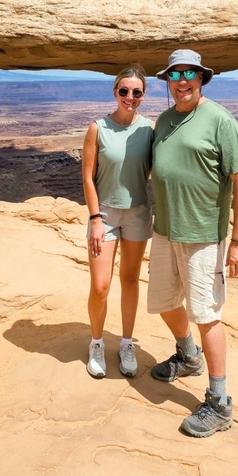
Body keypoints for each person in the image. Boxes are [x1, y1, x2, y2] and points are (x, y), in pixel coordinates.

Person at [148, 49, 238, 437]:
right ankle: (187, 355)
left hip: (203, 235)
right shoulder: (164, 120)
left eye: (190, 73)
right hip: (166, 230)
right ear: (169, 81)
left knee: (206, 313)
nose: (182, 80)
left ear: (202, 78)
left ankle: (220, 402)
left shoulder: (220, 119)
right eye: (175, 75)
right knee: (164, 301)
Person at [81, 66, 154, 379]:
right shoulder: (98, 128)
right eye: (124, 91)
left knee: (129, 280)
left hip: (137, 213)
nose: (130, 97)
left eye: (136, 92)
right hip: (106, 215)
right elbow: (87, 176)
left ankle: (126, 343)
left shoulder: (148, 130)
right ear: (115, 92)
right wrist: (96, 218)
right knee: (100, 286)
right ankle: (96, 343)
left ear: (143, 95)